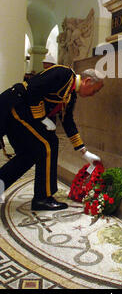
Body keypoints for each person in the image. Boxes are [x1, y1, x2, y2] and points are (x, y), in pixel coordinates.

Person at [0, 65, 104, 211]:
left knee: (28, 156)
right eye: (96, 90)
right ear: (87, 81)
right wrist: (42, 118)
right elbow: (33, 88)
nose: (94, 94)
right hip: (16, 106)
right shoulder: (64, 73)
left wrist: (84, 152)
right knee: (47, 145)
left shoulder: (71, 95)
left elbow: (68, 122)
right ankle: (42, 198)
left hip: (24, 112)